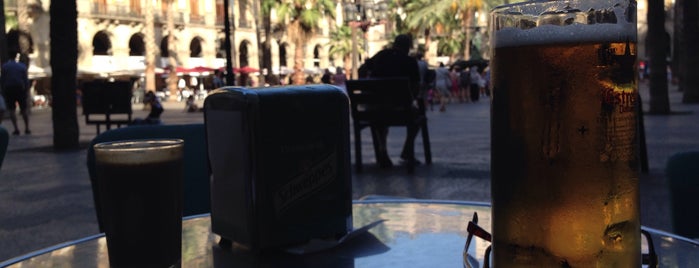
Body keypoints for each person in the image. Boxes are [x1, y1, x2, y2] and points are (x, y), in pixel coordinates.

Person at [360, 34, 421, 168]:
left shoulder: (380, 56)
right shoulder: (410, 61)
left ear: (394, 44)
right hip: (401, 109)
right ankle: (406, 151)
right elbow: (416, 86)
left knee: (380, 118)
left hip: (374, 108)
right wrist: (412, 99)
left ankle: (383, 150)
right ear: (408, 47)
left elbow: (361, 70)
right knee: (419, 118)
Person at [1, 55, 31, 135]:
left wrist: (3, 90)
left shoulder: (5, 66)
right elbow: (25, 79)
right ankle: (27, 128)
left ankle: (16, 128)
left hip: (9, 89)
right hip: (20, 88)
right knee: (24, 109)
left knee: (11, 110)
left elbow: (3, 79)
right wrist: (26, 89)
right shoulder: (21, 66)